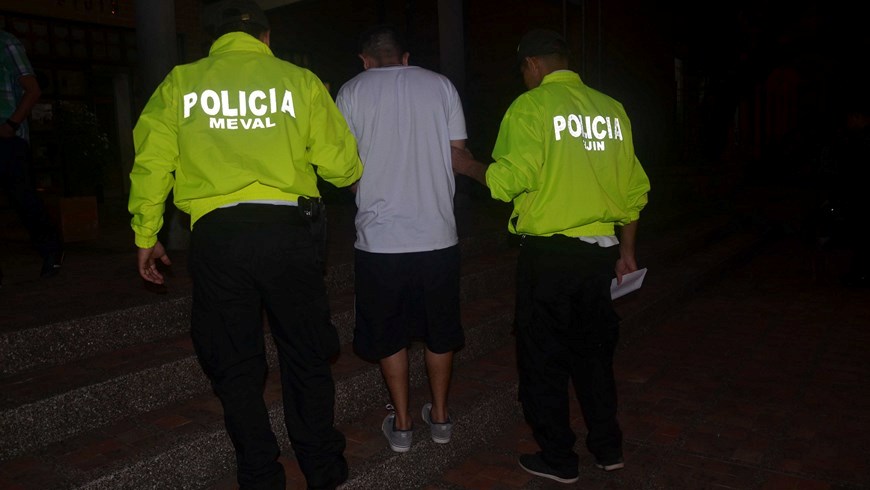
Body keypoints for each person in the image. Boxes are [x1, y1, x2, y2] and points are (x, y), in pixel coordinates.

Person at [128, 1, 363, 488]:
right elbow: (343, 167)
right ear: (267, 37)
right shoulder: (300, 81)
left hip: (218, 238)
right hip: (288, 233)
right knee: (305, 352)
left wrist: (146, 234)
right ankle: (321, 465)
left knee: (234, 360)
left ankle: (259, 472)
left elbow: (152, 163)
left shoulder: (180, 83)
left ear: (211, 39)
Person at [451, 29, 650, 484]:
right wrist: (628, 252)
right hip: (600, 255)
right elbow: (635, 193)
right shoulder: (611, 110)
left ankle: (558, 457)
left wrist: (467, 166)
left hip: (550, 259)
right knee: (595, 356)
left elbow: (507, 182)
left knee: (543, 359)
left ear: (533, 65)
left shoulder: (532, 106)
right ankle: (607, 448)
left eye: (523, 69)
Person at [335, 25, 467, 453]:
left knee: (390, 334)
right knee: (439, 331)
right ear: (405, 57)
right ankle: (442, 419)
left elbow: (344, 165)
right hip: (437, 235)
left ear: (365, 59)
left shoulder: (351, 92)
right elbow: (457, 153)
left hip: (380, 241)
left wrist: (366, 190)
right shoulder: (441, 86)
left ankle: (405, 425)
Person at [1, 28, 63, 283]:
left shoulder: (5, 42)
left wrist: (11, 125)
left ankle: (52, 250)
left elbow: (33, 89)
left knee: (23, 199)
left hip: (7, 138)